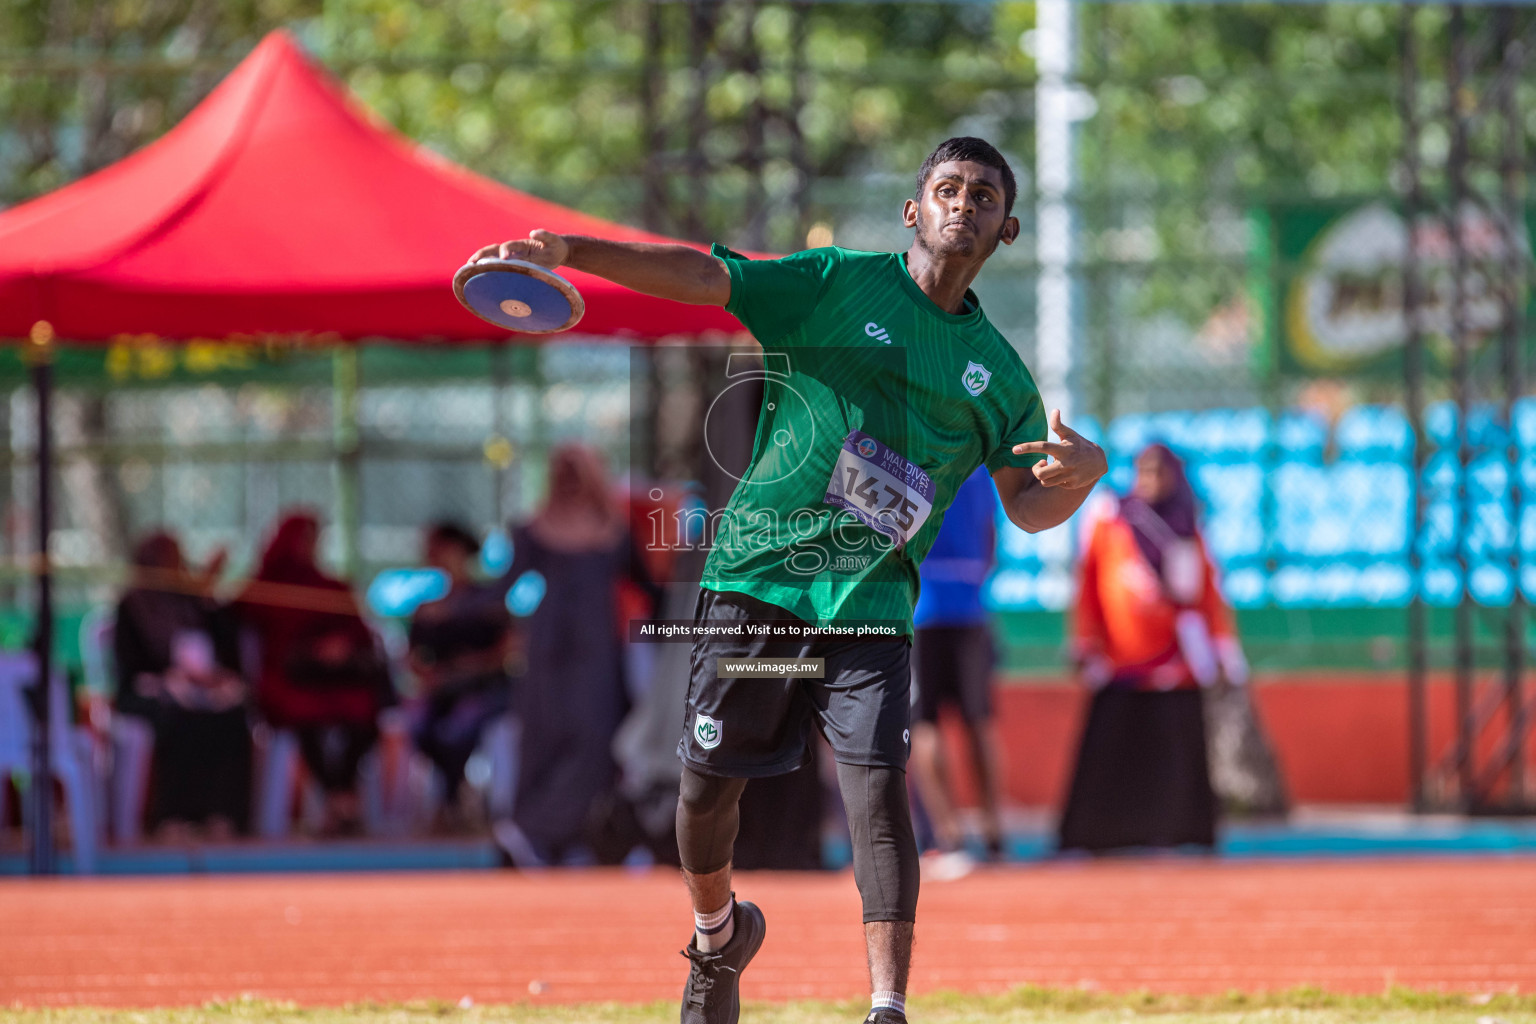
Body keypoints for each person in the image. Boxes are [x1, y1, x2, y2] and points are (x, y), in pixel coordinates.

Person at [472, 136, 1107, 1024]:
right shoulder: (834, 282)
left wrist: (1079, 479)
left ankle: (888, 1004)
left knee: (880, 785)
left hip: (871, 612)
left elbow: (1026, 506)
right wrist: (570, 252)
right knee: (704, 791)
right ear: (914, 209)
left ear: (1007, 231)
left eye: (986, 197)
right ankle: (717, 936)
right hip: (757, 588)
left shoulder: (1000, 378)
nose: (966, 204)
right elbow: (703, 276)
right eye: (949, 188)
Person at [1057, 443, 1240, 854]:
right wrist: (1085, 642)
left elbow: (1209, 595)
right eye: (1143, 471)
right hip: (1121, 661)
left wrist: (1224, 652)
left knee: (1175, 749)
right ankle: (1099, 836)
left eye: (1159, 472)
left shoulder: (1189, 525)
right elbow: (1088, 583)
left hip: (1176, 662)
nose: (1150, 481)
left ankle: (1178, 831)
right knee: (1110, 750)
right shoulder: (1111, 520)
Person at [494, 444, 660, 865]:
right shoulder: (534, 530)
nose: (569, 479)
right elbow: (500, 590)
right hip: (549, 651)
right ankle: (534, 832)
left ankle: (582, 833)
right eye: (561, 470)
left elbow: (652, 592)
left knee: (595, 737)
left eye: (576, 470)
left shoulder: (614, 532)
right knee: (544, 735)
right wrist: (450, 608)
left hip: (597, 652)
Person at [237, 512, 391, 837]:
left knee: (363, 709)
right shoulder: (266, 587)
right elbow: (237, 622)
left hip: (333, 680)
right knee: (304, 715)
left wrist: (339, 646)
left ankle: (337, 797)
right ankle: (342, 799)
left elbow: (358, 633)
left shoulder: (329, 586)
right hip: (288, 680)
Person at [112, 530, 250, 839]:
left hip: (201, 690)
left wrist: (207, 592)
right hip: (149, 693)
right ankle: (172, 815)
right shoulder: (133, 606)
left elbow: (226, 647)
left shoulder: (193, 602)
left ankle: (220, 812)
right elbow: (131, 668)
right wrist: (172, 678)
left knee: (230, 718)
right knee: (178, 719)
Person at [908, 466, 1005, 873]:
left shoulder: (900, 451)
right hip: (970, 606)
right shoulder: (978, 464)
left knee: (923, 722)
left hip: (920, 608)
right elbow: (991, 536)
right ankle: (993, 831)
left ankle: (949, 837)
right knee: (978, 720)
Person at [407, 521, 514, 831]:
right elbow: (413, 658)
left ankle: (451, 801)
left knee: (459, 727)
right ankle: (455, 799)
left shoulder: (488, 601)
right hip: (441, 692)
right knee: (421, 726)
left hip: (483, 689)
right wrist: (432, 674)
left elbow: (507, 651)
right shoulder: (427, 608)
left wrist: (472, 666)